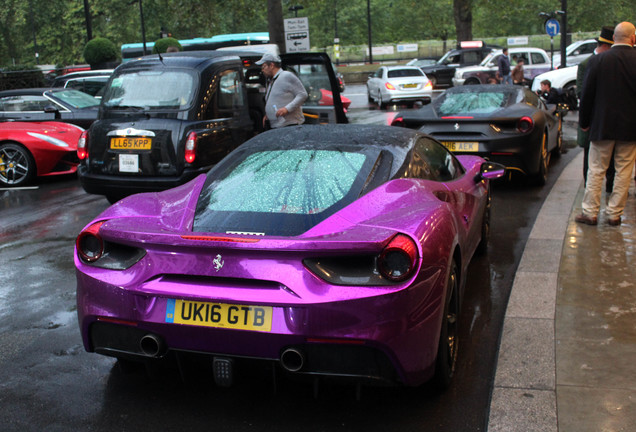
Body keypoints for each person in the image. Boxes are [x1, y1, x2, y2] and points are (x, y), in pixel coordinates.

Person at [576, 21, 636, 226]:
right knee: (624, 170)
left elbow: (587, 96)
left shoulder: (599, 61)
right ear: (633, 38)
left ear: (613, 39)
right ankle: (614, 214)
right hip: (630, 127)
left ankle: (590, 212)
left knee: (596, 169)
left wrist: (584, 122)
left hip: (602, 125)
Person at [576, 26, 615, 190]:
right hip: (591, 120)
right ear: (606, 46)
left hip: (608, 120)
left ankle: (609, 187)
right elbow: (581, 93)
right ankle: (588, 188)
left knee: (611, 158)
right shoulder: (586, 64)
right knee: (589, 159)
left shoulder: (611, 62)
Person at [256, 53, 308, 129]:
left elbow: (302, 94)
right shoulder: (272, 80)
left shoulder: (286, 76)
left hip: (289, 124)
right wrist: (268, 115)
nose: (262, 70)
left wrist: (287, 109)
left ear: (271, 65)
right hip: (277, 125)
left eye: (264, 67)